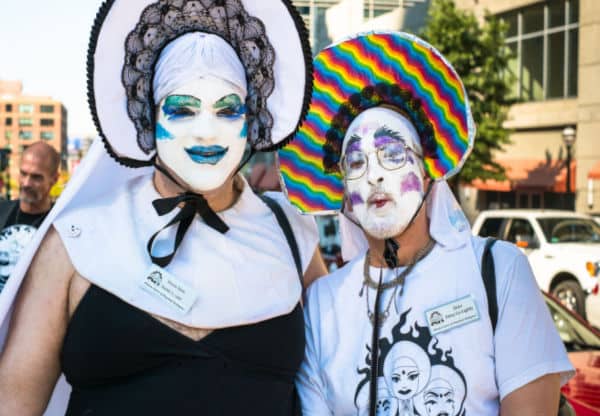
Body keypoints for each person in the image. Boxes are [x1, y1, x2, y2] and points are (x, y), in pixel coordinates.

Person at [0, 1, 325, 415]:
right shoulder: (75, 243)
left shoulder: (291, 236)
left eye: (227, 110)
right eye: (182, 109)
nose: (206, 131)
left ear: (252, 118)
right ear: (149, 117)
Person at [279, 32, 574, 415]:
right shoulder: (322, 304)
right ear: (342, 188)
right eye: (355, 163)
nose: (374, 176)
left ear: (427, 168)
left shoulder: (498, 271)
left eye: (392, 154)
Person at [0, 142, 59, 291]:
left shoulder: (60, 226)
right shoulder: (2, 211)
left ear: (54, 179)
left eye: (36, 177)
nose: (26, 183)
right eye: (23, 173)